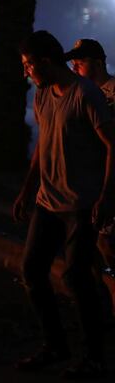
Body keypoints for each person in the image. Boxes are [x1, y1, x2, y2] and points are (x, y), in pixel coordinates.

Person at [12, 31, 115, 378]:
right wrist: (27, 189)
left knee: (76, 277)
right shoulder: (42, 96)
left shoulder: (86, 95)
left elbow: (112, 144)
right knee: (31, 271)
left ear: (45, 61)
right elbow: (43, 144)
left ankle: (94, 356)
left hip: (81, 204)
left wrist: (105, 195)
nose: (27, 72)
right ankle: (55, 345)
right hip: (47, 201)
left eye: (29, 65)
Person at [65, 39, 115, 280]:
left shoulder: (112, 92)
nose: (75, 68)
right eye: (73, 63)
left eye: (80, 63)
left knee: (108, 245)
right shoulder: (83, 93)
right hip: (90, 185)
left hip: (108, 184)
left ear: (97, 64)